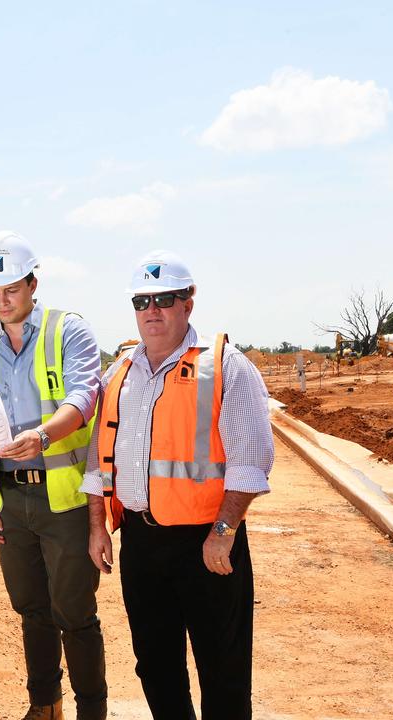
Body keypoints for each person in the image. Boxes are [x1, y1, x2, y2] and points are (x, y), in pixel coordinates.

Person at [82, 250, 274, 720]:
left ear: (188, 302)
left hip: (208, 544)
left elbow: (251, 461)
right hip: (142, 542)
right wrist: (97, 527)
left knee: (222, 667)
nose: (152, 310)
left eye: (165, 298)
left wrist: (224, 533)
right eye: (142, 300)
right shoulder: (120, 373)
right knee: (156, 664)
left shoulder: (225, 366)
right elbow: (96, 459)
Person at [0, 231, 107, 720]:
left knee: (74, 614)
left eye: (10, 289)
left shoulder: (68, 330)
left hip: (64, 502)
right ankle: (44, 706)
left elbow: (84, 399)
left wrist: (43, 436)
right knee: (32, 610)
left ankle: (92, 710)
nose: (2, 301)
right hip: (10, 501)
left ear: (32, 283)